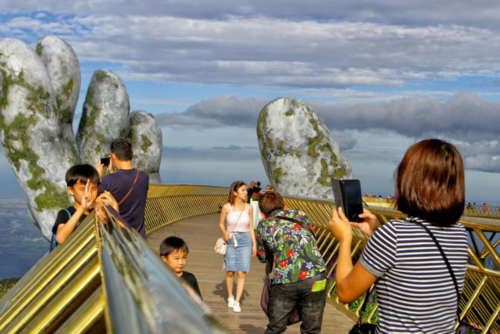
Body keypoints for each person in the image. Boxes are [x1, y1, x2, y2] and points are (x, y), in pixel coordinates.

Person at [329, 139, 468, 333]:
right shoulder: (460, 233)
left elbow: (345, 292)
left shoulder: (393, 235)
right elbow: (415, 262)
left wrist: (345, 240)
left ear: (409, 179)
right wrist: (377, 231)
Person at [257, 191, 327, 334]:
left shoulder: (264, 226)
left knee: (275, 328)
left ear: (263, 213)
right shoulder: (301, 215)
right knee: (312, 329)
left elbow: (262, 257)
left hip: (286, 279)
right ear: (284, 205)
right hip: (316, 275)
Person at [52, 164, 118, 247]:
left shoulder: (97, 213)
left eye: (93, 189)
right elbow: (60, 238)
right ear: (70, 190)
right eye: (83, 189)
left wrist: (115, 209)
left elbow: (114, 237)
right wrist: (82, 208)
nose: (88, 193)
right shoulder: (65, 214)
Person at [97, 139, 149, 238]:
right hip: (139, 237)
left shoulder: (108, 181)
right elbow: (125, 184)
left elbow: (94, 202)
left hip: (119, 237)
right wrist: (112, 173)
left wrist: (97, 177)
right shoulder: (144, 177)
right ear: (131, 155)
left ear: (113, 156)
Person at [218, 180, 257, 313]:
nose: (246, 192)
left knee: (242, 271)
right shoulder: (227, 207)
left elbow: (251, 227)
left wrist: (254, 244)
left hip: (245, 239)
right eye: (243, 190)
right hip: (232, 239)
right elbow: (221, 223)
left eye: (246, 190)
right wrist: (225, 233)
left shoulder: (249, 208)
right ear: (235, 193)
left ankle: (237, 301)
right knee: (230, 271)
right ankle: (230, 296)